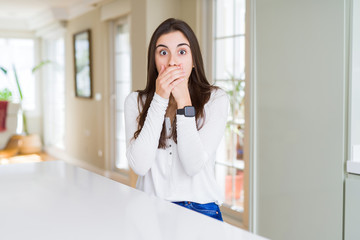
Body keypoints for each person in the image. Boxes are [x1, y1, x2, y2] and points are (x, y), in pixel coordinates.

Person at [124, 18, 229, 221]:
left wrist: (183, 101)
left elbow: (193, 165)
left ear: (194, 60)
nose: (172, 62)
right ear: (154, 61)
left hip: (200, 209)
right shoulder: (135, 102)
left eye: (182, 52)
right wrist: (160, 99)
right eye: (163, 52)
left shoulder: (216, 99)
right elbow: (140, 165)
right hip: (150, 208)